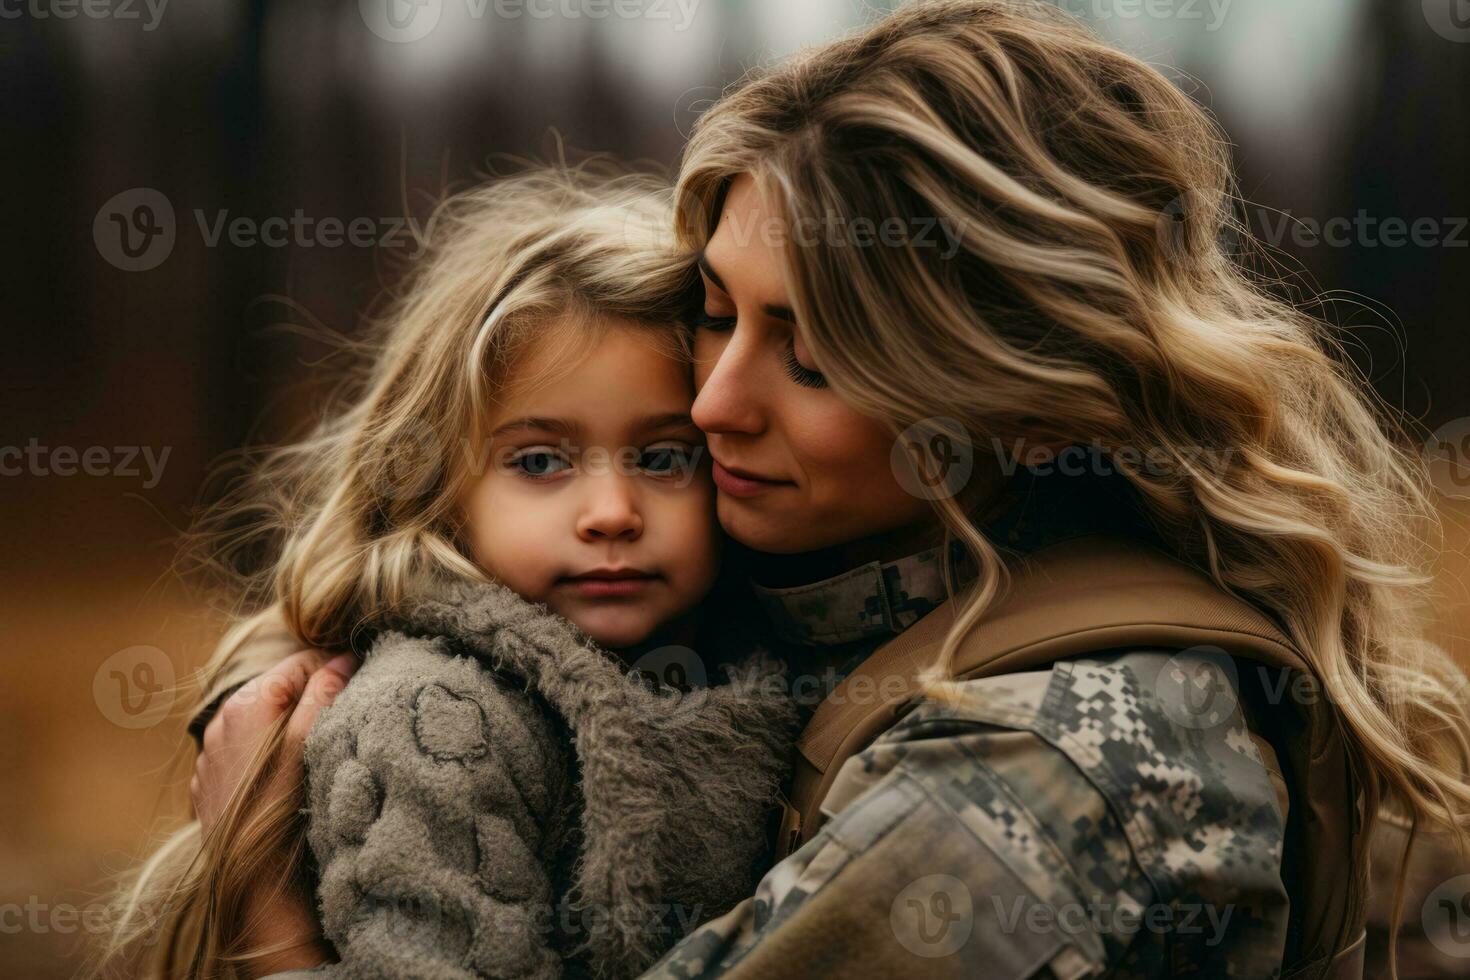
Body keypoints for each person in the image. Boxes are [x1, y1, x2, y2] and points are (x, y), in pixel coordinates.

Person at [131, 2, 1470, 977]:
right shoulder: (849, 601)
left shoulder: (1046, 768)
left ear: (1009, 392)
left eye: (814, 357)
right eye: (716, 315)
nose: (711, 404)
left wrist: (276, 931)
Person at [94, 165, 801, 979]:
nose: (612, 510)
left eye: (664, 456)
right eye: (539, 461)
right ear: (440, 495)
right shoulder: (431, 722)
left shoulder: (752, 654)